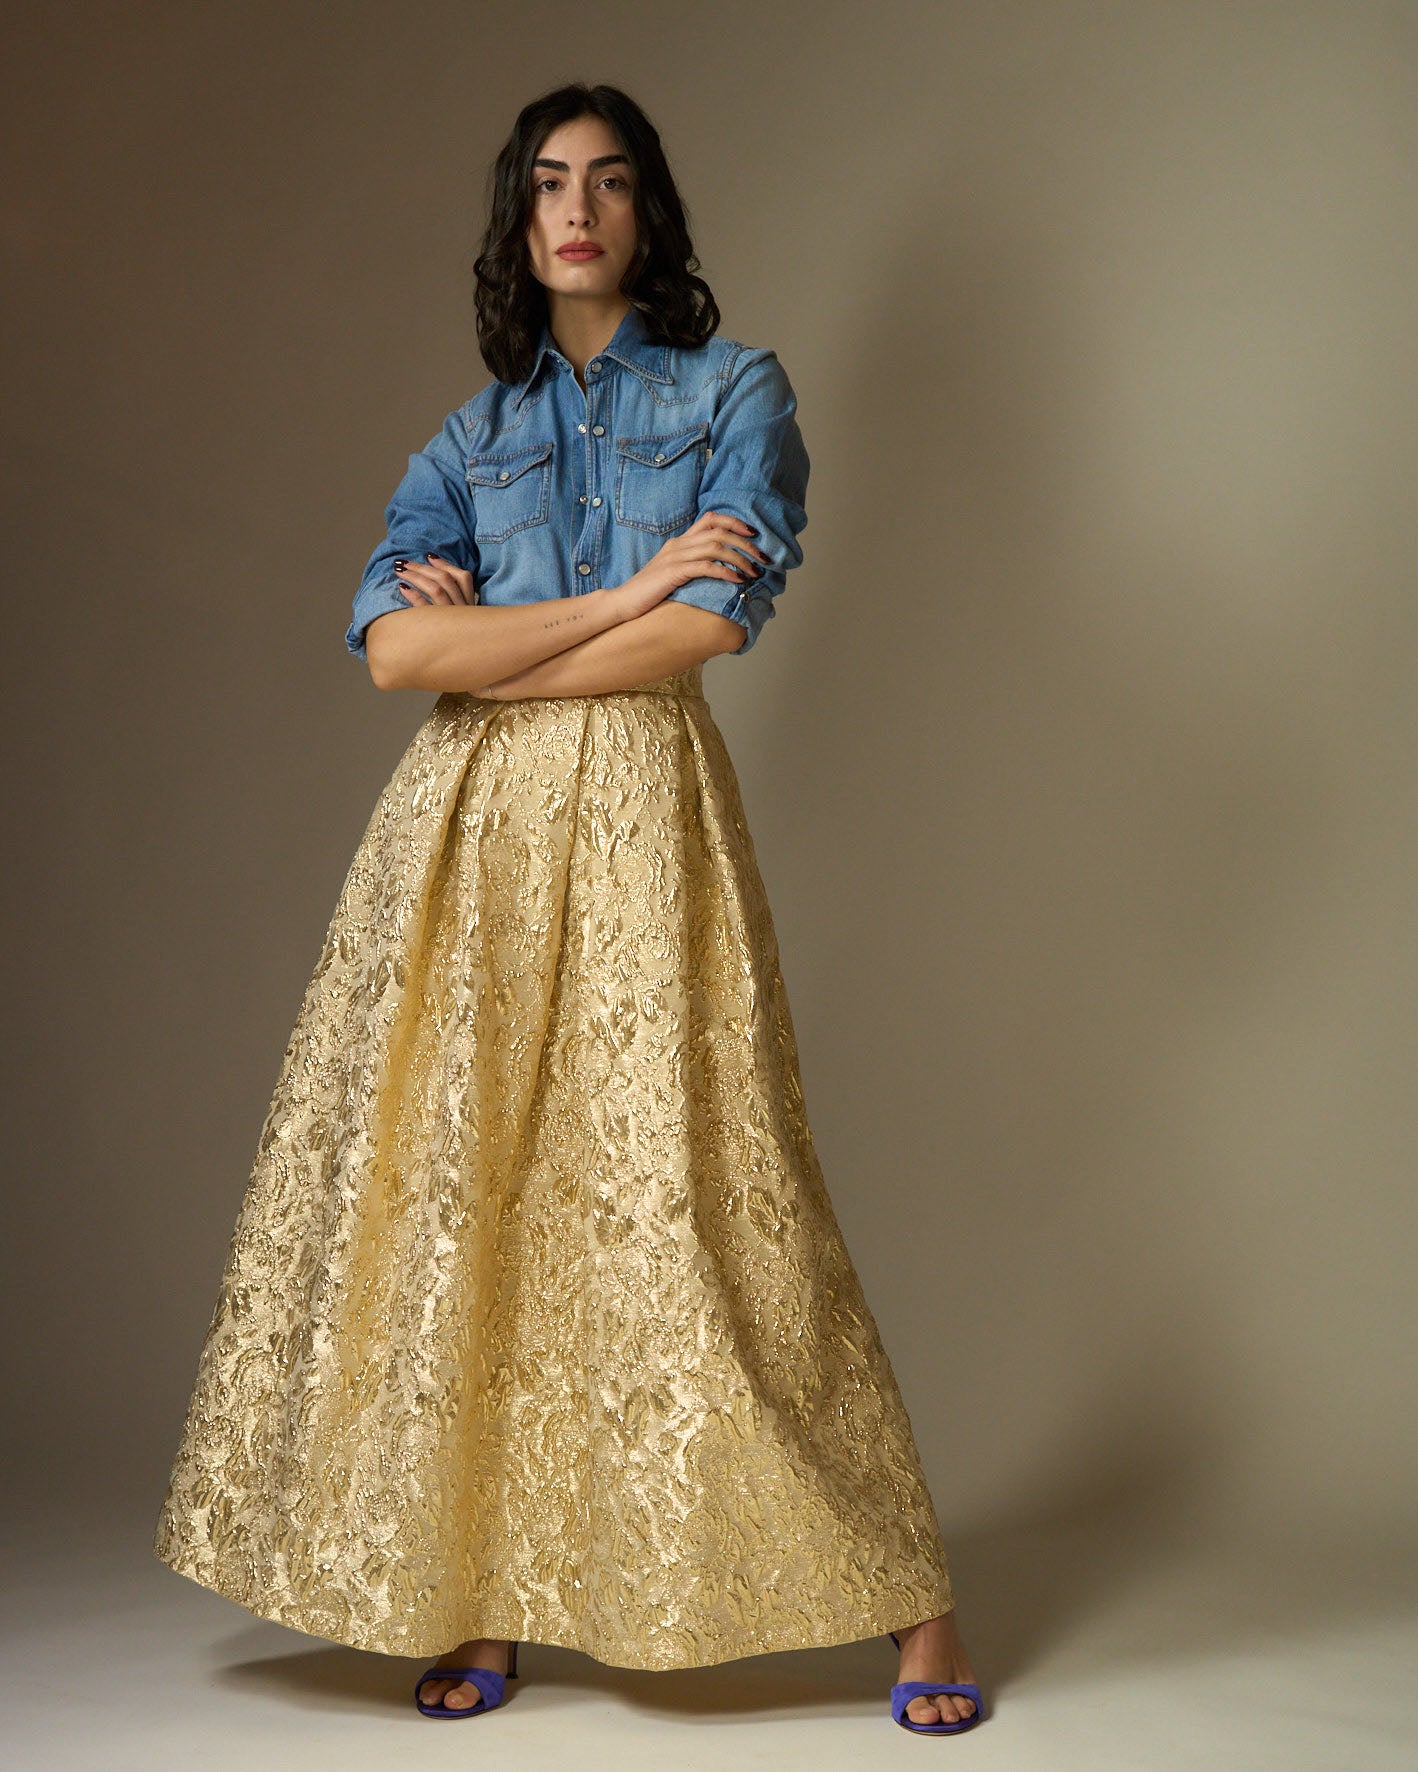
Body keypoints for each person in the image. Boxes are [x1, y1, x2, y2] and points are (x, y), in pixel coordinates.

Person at [152, 81, 983, 1737]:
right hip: (463, 840)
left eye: (606, 182)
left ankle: (917, 1606)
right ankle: (488, 1598)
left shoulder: (736, 392)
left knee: (713, 1195)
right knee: (473, 1194)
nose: (577, 210)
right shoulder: (465, 443)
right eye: (547, 184)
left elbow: (708, 631)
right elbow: (396, 653)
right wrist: (622, 588)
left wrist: (514, 645)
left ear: (647, 211)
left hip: (644, 819)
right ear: (518, 222)